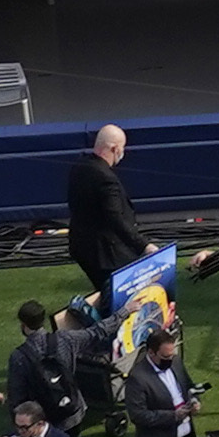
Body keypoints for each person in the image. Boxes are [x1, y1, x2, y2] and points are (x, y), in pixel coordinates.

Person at [64, 120, 153, 306]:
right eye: (122, 148)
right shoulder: (106, 179)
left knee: (108, 295)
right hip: (105, 254)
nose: (123, 152)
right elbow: (115, 219)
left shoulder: (80, 167)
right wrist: (143, 245)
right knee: (121, 300)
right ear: (113, 149)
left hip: (82, 246)